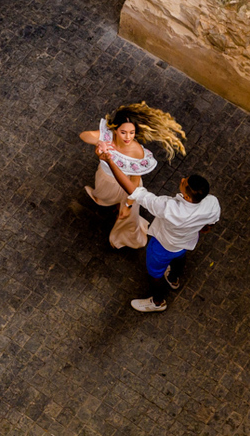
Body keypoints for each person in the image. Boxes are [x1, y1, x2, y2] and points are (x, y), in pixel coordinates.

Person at [98, 146, 219, 312]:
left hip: (162, 246)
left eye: (184, 182)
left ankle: (157, 302)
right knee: (179, 257)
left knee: (154, 274)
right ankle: (174, 279)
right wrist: (205, 228)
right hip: (186, 242)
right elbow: (212, 221)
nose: (182, 179)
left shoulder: (167, 207)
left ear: (186, 196)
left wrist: (109, 161)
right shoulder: (212, 203)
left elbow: (134, 191)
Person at [79, 102, 186, 249]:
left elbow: (135, 182)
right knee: (103, 196)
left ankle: (124, 238)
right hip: (105, 178)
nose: (128, 137)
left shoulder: (137, 152)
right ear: (115, 130)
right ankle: (112, 204)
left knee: (126, 218)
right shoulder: (106, 137)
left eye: (132, 132)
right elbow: (84, 136)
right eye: (123, 132)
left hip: (128, 188)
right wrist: (100, 143)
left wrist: (128, 204)